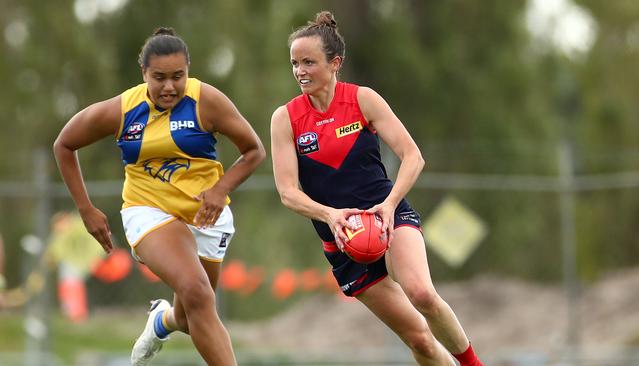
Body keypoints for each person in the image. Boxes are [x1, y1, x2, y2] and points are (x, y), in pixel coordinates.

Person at [270, 11, 482, 366]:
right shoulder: (285, 118)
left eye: (309, 61)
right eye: (295, 63)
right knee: (420, 340)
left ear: (335, 63)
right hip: (342, 242)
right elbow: (288, 192)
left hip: (388, 216)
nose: (300, 71)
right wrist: (331, 215)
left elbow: (413, 156)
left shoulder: (362, 100)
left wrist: (388, 205)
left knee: (422, 294)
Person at [54, 27, 265, 366]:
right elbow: (64, 144)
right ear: (144, 74)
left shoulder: (207, 101)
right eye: (159, 77)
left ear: (189, 71)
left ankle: (161, 320)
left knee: (189, 315)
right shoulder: (123, 109)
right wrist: (86, 208)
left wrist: (220, 189)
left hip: (205, 216)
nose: (169, 87)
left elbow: (254, 151)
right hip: (148, 210)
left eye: (178, 77)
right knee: (198, 293)